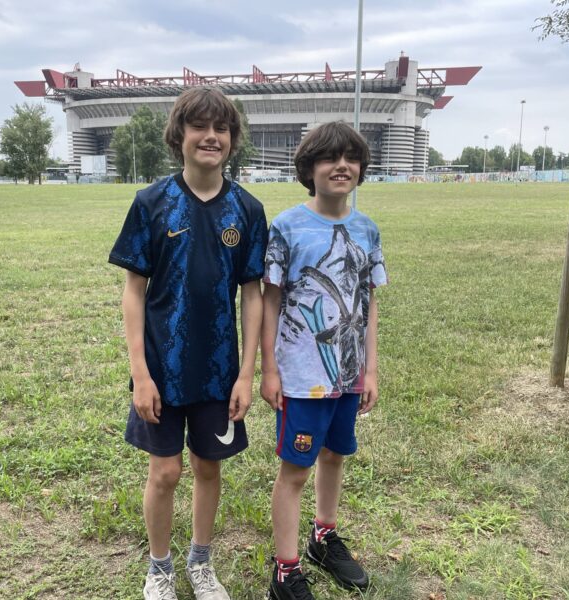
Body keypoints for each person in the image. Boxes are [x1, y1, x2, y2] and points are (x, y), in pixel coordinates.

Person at [108, 87, 267, 600]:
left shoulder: (247, 208)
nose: (211, 137)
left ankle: (201, 562)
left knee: (206, 466)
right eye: (200, 127)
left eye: (221, 128)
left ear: (232, 139)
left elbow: (252, 294)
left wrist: (246, 373)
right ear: (180, 136)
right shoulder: (152, 203)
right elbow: (134, 291)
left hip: (219, 370)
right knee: (165, 471)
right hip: (162, 367)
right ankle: (159, 568)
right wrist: (141, 373)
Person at [260, 121, 387, 599]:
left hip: (348, 375)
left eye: (351, 159)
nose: (342, 166)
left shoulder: (367, 229)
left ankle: (323, 537)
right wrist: (268, 368)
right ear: (308, 170)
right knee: (296, 469)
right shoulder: (288, 226)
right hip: (302, 379)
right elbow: (270, 300)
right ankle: (286, 570)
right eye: (329, 159)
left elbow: (370, 301)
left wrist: (371, 368)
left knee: (335, 455)